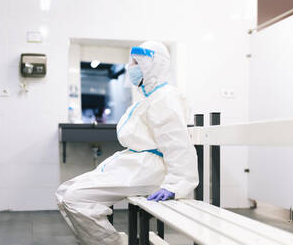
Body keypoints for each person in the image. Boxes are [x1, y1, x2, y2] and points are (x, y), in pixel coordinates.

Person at [56, 41, 198, 245]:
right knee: (64, 193)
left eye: (136, 62)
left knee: (75, 198)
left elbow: (177, 144)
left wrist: (176, 185)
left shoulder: (165, 97)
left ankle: (115, 243)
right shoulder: (147, 98)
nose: (130, 67)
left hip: (150, 167)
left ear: (153, 65)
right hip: (136, 163)